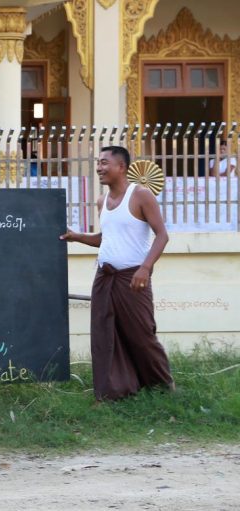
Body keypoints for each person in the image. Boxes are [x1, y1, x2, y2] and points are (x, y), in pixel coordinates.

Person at [61, 146, 175, 401]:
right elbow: (107, 239)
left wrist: (145, 268)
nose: (99, 168)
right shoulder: (102, 201)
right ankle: (112, 393)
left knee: (142, 334)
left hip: (133, 278)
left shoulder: (141, 196)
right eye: (98, 163)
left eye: (104, 163)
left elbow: (162, 235)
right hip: (104, 277)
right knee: (104, 335)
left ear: (121, 167)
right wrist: (77, 236)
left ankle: (163, 387)